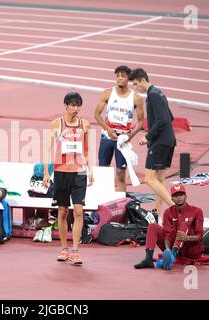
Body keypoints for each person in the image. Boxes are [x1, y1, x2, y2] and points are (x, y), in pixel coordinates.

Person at [43, 92, 94, 265]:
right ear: (65, 105)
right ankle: (64, 249)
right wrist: (46, 172)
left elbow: (87, 150)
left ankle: (75, 251)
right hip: (61, 172)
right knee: (63, 211)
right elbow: (48, 149)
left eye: (78, 105)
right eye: (72, 105)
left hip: (79, 172)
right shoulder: (56, 124)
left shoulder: (85, 124)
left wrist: (91, 170)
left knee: (79, 211)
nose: (76, 108)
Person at [129, 68, 176, 218]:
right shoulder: (159, 92)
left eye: (137, 84)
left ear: (143, 80)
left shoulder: (153, 95)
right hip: (168, 141)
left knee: (149, 178)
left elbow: (163, 119)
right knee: (160, 180)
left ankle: (176, 209)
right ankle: (159, 216)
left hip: (160, 143)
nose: (137, 88)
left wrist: (148, 136)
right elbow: (170, 116)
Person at [94, 65, 144, 193]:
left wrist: (130, 136)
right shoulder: (108, 93)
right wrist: (108, 129)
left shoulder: (136, 98)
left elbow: (140, 121)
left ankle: (121, 203)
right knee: (103, 171)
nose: (120, 78)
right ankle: (102, 198)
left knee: (121, 173)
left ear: (129, 78)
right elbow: (97, 114)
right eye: (118, 76)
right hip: (107, 137)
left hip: (122, 140)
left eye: (123, 76)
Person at [134, 184, 204, 270]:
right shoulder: (168, 212)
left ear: (186, 196)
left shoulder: (197, 211)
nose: (179, 198)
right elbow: (167, 233)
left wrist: (188, 238)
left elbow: (200, 236)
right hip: (172, 246)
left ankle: (173, 255)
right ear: (171, 199)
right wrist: (167, 249)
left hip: (190, 249)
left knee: (184, 224)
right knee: (153, 226)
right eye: (175, 196)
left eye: (181, 195)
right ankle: (148, 259)